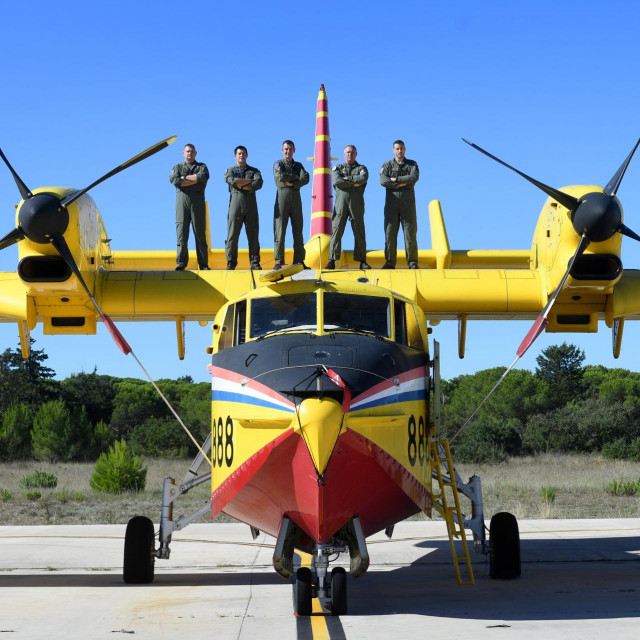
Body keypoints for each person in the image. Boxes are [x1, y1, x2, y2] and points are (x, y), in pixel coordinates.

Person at [326, 144, 370, 270]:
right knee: (337, 230)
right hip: (341, 204)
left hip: (356, 204)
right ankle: (332, 260)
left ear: (356, 154)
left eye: (352, 152)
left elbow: (363, 178)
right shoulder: (337, 168)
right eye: (347, 152)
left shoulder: (362, 168)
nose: (350, 154)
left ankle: (362, 261)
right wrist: (353, 182)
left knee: (359, 230)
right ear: (344, 154)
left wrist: (347, 180)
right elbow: (337, 181)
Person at [169, 143, 210, 270]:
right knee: (182, 233)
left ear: (195, 153)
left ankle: (203, 264)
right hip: (182, 204)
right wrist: (194, 180)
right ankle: (181, 263)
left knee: (200, 233)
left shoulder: (201, 167)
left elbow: (203, 176)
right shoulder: (177, 167)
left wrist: (184, 179)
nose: (189, 153)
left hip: (197, 203)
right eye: (187, 151)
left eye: (191, 151)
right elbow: (175, 180)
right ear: (183, 153)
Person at [380, 140, 420, 269]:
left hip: (407, 205)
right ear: (393, 150)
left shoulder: (412, 164)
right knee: (390, 234)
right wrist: (403, 183)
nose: (399, 151)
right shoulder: (387, 165)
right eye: (397, 149)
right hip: (391, 205)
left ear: (405, 149)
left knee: (410, 233)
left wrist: (396, 180)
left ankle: (412, 262)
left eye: (401, 148)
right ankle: (390, 262)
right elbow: (384, 181)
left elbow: (413, 178)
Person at [224, 146, 263, 270]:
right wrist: (248, 183)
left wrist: (241, 184)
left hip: (251, 205)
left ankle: (255, 262)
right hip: (235, 206)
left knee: (253, 235)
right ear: (235, 156)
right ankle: (231, 262)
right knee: (232, 235)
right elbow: (231, 180)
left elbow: (259, 182)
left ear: (247, 155)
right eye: (239, 153)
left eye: (243, 153)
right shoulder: (230, 170)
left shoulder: (254, 171)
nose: (241, 155)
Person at [273, 140, 310, 269]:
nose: (288, 151)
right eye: (286, 149)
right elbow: (280, 177)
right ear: (282, 150)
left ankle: (299, 261)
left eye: (290, 149)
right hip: (282, 198)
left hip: (295, 198)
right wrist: (295, 177)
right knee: (280, 230)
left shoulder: (298, 165)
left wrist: (293, 183)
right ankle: (279, 261)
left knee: (298, 230)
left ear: (294, 150)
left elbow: (305, 177)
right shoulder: (278, 164)